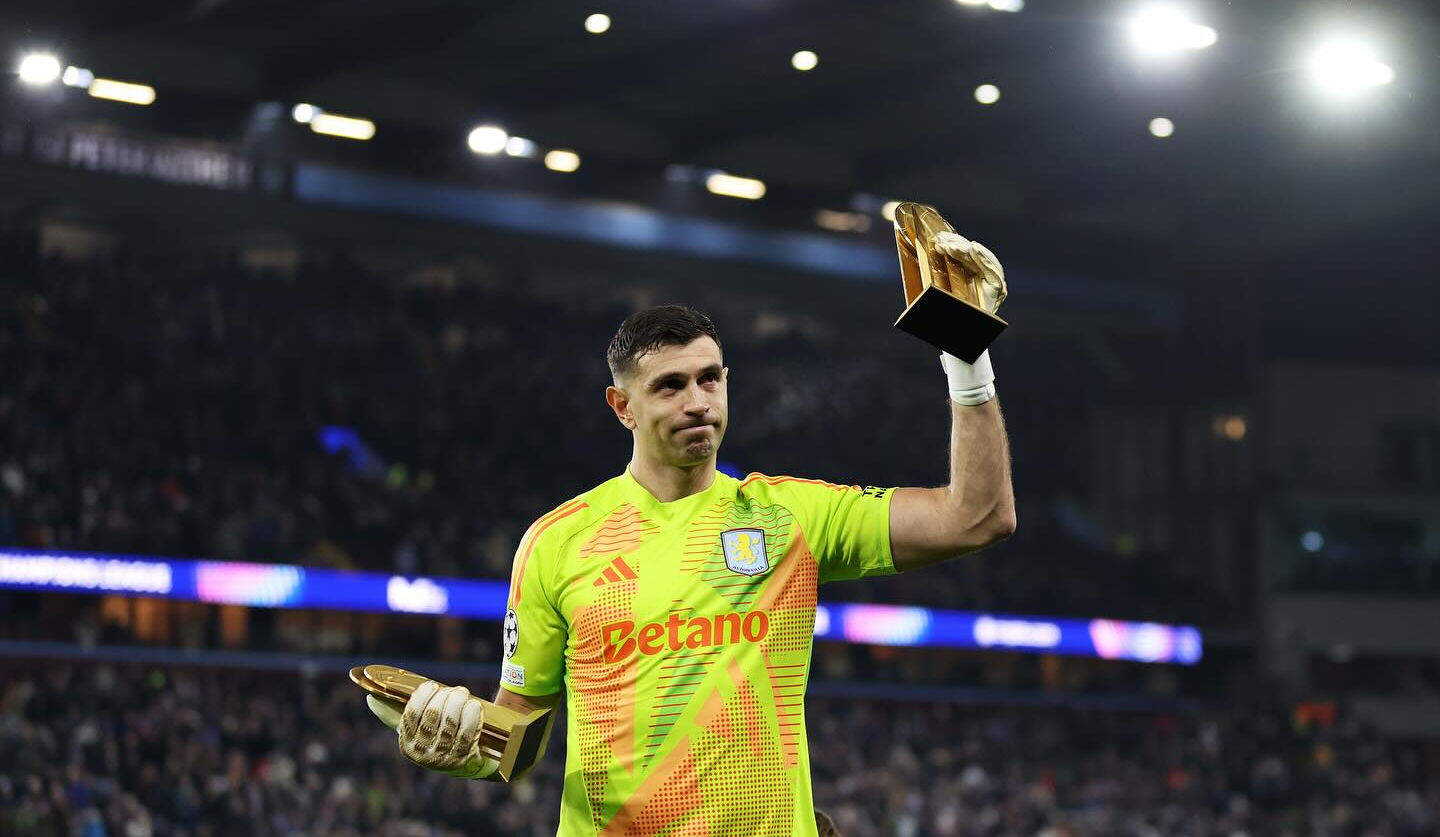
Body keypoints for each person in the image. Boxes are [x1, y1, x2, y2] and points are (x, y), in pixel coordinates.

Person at [372, 235, 1015, 836]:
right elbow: (519, 741)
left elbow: (976, 517)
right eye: (670, 386)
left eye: (710, 379)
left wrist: (967, 354)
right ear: (622, 407)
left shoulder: (790, 516)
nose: (698, 402)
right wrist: (463, 752)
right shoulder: (557, 542)